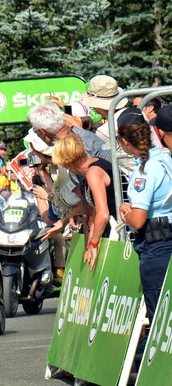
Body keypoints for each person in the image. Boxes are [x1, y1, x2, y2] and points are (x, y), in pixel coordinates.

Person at [117, 107, 172, 323]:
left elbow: (138, 220)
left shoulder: (146, 170)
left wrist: (126, 212)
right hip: (165, 236)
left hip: (156, 246)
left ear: (125, 142)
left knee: (160, 314)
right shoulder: (164, 159)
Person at [51, 132, 117, 271]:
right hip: (109, 229)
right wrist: (89, 245)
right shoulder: (88, 172)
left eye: (65, 166)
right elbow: (92, 213)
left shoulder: (94, 172)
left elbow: (102, 214)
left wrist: (93, 244)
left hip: (117, 230)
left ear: (69, 162)